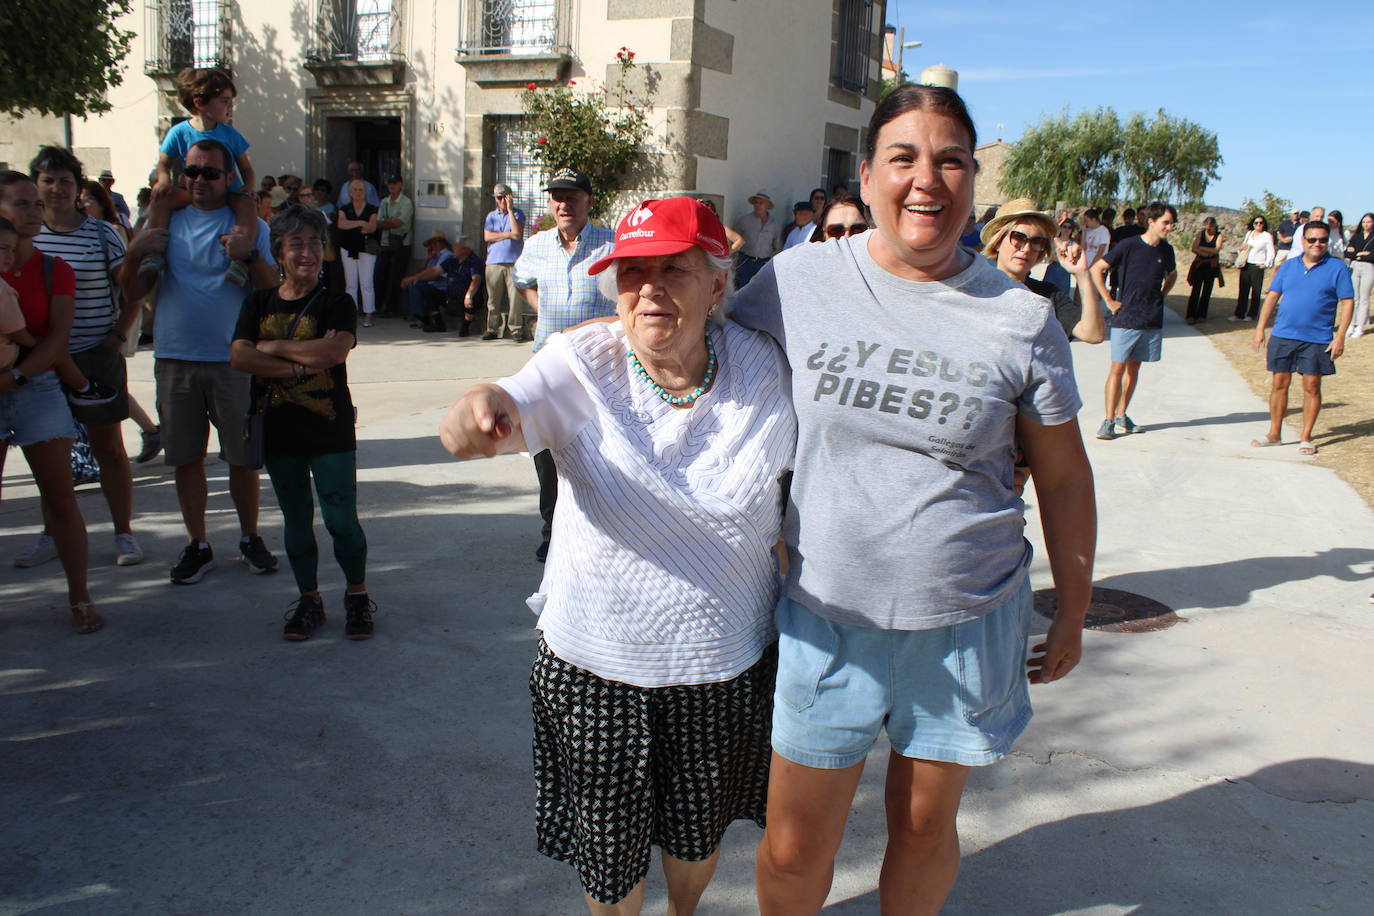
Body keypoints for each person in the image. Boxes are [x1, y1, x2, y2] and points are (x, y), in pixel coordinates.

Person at [733, 84, 1095, 915]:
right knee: (793, 848)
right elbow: (700, 356)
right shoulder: (796, 280)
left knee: (925, 828)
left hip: (965, 620)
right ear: (866, 177)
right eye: (903, 158)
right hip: (825, 616)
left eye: (950, 160)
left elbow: (1066, 476)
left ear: (973, 183)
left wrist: (1072, 605)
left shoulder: (1020, 317)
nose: (926, 179)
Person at [439, 195, 795, 914]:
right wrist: (473, 415)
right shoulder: (580, 362)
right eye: (632, 272)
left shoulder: (767, 369)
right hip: (597, 664)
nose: (650, 288)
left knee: (695, 841)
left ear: (718, 284)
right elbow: (505, 400)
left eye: (674, 269)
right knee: (611, 858)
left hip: (722, 659)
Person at [120, 138, 281, 585]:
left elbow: (270, 292)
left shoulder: (251, 226)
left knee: (242, 458)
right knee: (185, 458)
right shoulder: (162, 221)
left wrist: (247, 255)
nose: (198, 180)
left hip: (233, 360)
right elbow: (132, 294)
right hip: (175, 359)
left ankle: (249, 537)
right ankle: (198, 543)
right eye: (191, 171)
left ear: (228, 177)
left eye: (210, 172)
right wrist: (135, 252)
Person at [230, 205, 375, 641]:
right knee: (295, 520)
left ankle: (357, 596)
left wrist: (271, 346)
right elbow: (239, 356)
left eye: (315, 243)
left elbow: (333, 354)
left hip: (329, 430)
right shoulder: (257, 301)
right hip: (279, 429)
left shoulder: (337, 302)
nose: (307, 252)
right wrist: (301, 362)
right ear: (279, 252)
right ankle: (309, 599)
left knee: (341, 520)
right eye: (296, 244)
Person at [28, 146, 145, 567]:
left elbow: (132, 288)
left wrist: (116, 335)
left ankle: (124, 533)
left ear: (78, 187)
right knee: (49, 453)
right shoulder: (27, 235)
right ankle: (50, 533)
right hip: (42, 359)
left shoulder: (102, 233)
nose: (57, 188)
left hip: (95, 355)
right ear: (36, 185)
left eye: (65, 181)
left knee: (109, 448)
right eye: (48, 180)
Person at [0, 179, 106, 633]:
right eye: (22, 204)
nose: (34, 212)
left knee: (61, 498)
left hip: (36, 386)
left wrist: (17, 375)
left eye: (37, 204)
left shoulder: (54, 268)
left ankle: (80, 599)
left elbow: (58, 338)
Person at [513, 167, 615, 562]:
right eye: (556, 196)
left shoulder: (611, 245)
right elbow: (523, 281)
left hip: (599, 367)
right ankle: (552, 528)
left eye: (571, 196)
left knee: (599, 451)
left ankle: (599, 525)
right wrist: (543, 313)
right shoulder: (537, 244)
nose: (563, 204)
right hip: (548, 366)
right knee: (546, 452)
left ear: (589, 201)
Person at [142, 68, 260, 287]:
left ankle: (240, 258)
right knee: (161, 199)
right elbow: (163, 162)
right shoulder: (179, 132)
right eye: (224, 101)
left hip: (229, 193)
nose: (229, 107)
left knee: (248, 205)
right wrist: (164, 181)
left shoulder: (230, 134)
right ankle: (155, 252)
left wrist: (249, 187)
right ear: (200, 102)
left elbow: (247, 169)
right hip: (193, 192)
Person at [1249, 220, 1353, 456]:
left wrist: (1340, 337)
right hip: (1284, 334)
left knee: (1312, 386)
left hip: (1317, 338)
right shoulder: (1287, 267)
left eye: (1323, 240)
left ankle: (1306, 437)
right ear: (1302, 241)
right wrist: (1260, 329)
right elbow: (1273, 297)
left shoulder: (1337, 268)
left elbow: (1347, 302)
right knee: (1279, 384)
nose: (1317, 244)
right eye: (1312, 239)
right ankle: (1274, 433)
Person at [78, 179, 162, 465]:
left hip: (108, 327)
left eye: (89, 198)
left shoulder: (109, 232)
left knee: (107, 389)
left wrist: (119, 332)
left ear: (102, 203)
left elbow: (130, 284)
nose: (83, 202)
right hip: (64, 344)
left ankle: (150, 430)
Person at [1088, 202, 1177, 440]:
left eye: (1171, 223)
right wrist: (1108, 300)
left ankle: (1121, 414)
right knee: (1117, 368)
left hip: (1150, 318)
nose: (1169, 227)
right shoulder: (1129, 246)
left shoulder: (1166, 251)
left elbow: (1173, 274)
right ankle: (1108, 421)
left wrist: (1162, 294)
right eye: (1165, 222)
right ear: (1152, 221)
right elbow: (1098, 269)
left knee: (1134, 368)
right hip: (1126, 317)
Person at [981, 198, 1106, 343]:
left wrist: (1082, 274)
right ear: (997, 241)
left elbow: (1094, 334)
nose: (1026, 248)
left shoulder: (1047, 296)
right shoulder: (975, 290)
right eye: (1018, 238)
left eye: (1036, 241)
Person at [401, 231, 481, 334]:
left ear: (465, 249)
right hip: (451, 295)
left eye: (457, 246)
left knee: (472, 301)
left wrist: (469, 295)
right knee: (430, 293)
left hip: (465, 297)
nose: (454, 248)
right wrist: (414, 278)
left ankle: (465, 327)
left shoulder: (474, 262)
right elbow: (435, 270)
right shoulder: (453, 260)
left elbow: (476, 279)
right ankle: (439, 324)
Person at [481, 183, 526, 341]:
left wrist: (511, 210)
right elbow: (487, 237)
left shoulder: (518, 214)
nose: (501, 201)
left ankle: (515, 330)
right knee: (493, 298)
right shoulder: (491, 216)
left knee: (515, 298)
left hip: (514, 262)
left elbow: (517, 234)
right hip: (494, 262)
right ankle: (492, 328)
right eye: (498, 198)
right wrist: (507, 234)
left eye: (504, 197)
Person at [336, 179, 379, 328]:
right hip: (348, 248)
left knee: (366, 282)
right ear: (350, 192)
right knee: (350, 283)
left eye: (361, 189)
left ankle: (369, 314)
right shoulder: (344, 208)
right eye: (355, 189)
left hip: (366, 248)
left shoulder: (372, 208)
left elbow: (372, 227)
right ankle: (351, 313)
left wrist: (352, 224)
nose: (358, 192)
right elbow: (341, 224)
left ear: (365, 192)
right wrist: (361, 223)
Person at [375, 174, 413, 316]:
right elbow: (377, 223)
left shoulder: (406, 202)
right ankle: (378, 305)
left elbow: (399, 222)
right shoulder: (384, 202)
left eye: (395, 183)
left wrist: (386, 222)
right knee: (380, 274)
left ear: (401, 184)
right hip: (385, 243)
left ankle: (391, 308)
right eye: (389, 183)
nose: (392, 186)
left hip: (402, 244)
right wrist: (389, 222)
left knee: (395, 277)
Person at [733, 191, 782, 288]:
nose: (758, 205)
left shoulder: (774, 224)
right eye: (756, 202)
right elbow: (734, 240)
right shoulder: (744, 220)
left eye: (761, 203)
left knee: (761, 290)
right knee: (742, 290)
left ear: (767, 206)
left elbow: (778, 246)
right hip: (746, 261)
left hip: (763, 263)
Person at [1232, 214, 1275, 322]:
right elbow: (1243, 248)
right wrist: (1241, 249)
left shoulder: (1266, 236)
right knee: (1243, 290)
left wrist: (1266, 264)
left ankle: (1252, 314)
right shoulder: (1249, 234)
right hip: (1246, 264)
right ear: (1253, 224)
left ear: (1264, 224)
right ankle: (1239, 314)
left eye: (1261, 223)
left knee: (1256, 291)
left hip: (1257, 265)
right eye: (1256, 223)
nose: (1258, 225)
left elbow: (1270, 251)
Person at [1185, 216, 1224, 324]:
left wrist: (1201, 248)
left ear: (1214, 226)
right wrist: (1206, 253)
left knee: (1207, 290)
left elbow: (1216, 250)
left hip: (1211, 266)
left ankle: (1202, 315)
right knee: (1195, 290)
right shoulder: (1201, 234)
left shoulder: (1219, 235)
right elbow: (1194, 248)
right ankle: (1191, 315)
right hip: (1200, 264)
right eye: (1206, 227)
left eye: (1210, 227)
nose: (1208, 229)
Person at [1344, 212, 1374, 338]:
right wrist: (1362, 254)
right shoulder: (1356, 236)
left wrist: (1359, 253)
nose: (1366, 224)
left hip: (1369, 268)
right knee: (1354, 297)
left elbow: (1372, 255)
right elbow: (1348, 253)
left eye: (1368, 222)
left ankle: (1360, 326)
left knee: (1364, 298)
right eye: (1364, 222)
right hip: (1355, 266)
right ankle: (1352, 324)